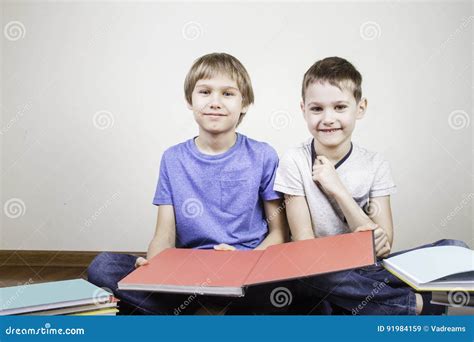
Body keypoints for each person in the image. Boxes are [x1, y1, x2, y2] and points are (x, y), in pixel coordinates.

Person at [87, 52, 288, 315]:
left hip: (247, 269)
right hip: (188, 276)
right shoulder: (173, 159)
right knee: (103, 266)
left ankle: (201, 313)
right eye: (205, 92)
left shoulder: (263, 155)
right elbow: (164, 235)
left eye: (228, 94)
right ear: (189, 100)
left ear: (245, 102)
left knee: (294, 288)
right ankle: (209, 311)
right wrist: (154, 267)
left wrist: (246, 262)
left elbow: (280, 233)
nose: (215, 102)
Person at [274, 56, 469, 315]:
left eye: (340, 107)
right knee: (307, 272)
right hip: (320, 272)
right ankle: (416, 303)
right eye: (317, 109)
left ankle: (367, 302)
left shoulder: (375, 164)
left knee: (455, 249)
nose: (328, 118)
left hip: (367, 270)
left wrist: (338, 190)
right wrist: (362, 242)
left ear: (360, 108)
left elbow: (382, 246)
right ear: (303, 109)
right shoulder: (294, 160)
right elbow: (305, 244)